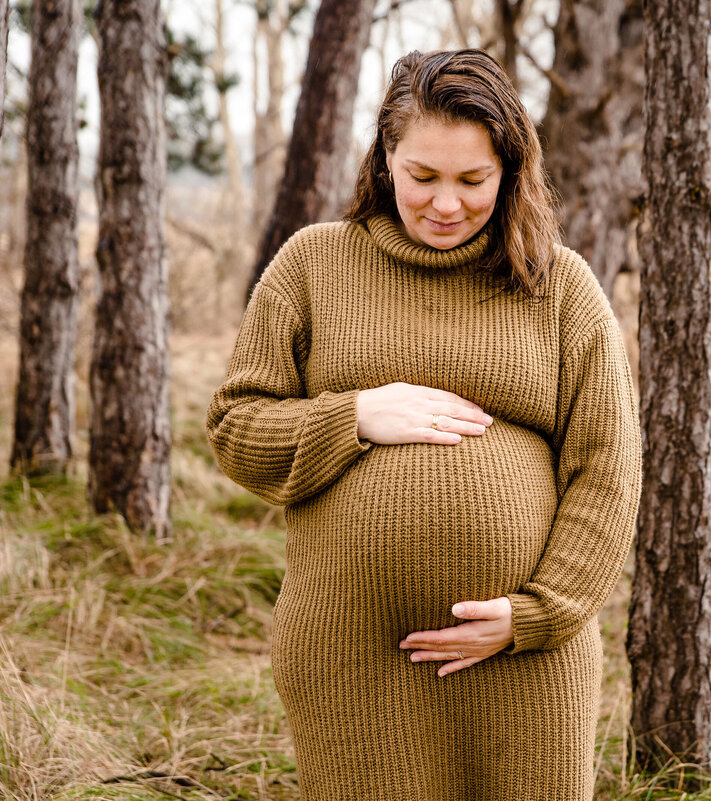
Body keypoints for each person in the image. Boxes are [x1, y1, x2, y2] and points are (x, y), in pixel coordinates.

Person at [205, 49, 642, 800]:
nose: (446, 203)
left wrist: (537, 613)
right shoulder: (314, 265)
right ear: (384, 161)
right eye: (423, 176)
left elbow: (607, 468)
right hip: (352, 655)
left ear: (510, 171)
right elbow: (237, 428)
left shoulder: (560, 286)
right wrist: (355, 415)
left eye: (473, 180)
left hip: (524, 659)